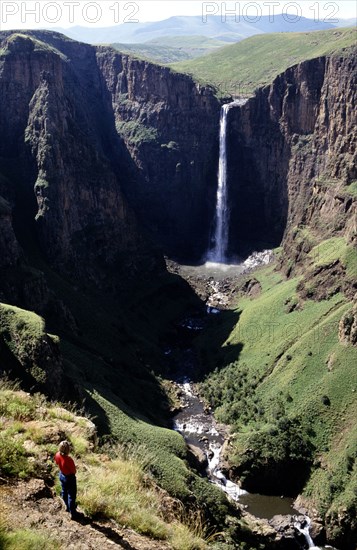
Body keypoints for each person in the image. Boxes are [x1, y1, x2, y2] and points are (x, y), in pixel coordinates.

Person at [54, 440, 78, 519]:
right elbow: (74, 471)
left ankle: (67, 507)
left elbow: (57, 463)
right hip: (69, 478)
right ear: (68, 450)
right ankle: (73, 514)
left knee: (64, 491)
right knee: (71, 495)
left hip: (62, 475)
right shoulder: (69, 459)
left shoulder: (57, 455)